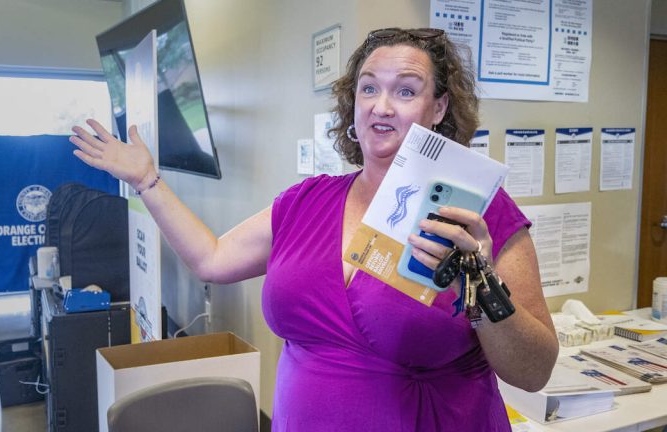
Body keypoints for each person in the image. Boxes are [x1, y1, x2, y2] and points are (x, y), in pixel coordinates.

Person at [71, 27, 558, 431]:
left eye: (406, 91)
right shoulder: (306, 202)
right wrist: (147, 181)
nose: (381, 106)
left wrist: (479, 284)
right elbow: (211, 258)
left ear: (439, 108)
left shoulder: (478, 217)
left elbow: (533, 372)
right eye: (369, 88)